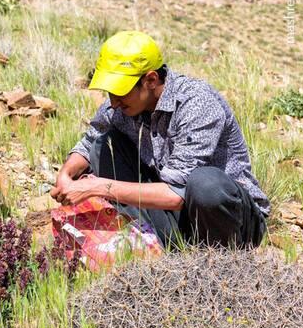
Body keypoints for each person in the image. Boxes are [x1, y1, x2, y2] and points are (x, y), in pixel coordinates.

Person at [51, 30, 269, 248]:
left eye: (120, 92)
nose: (114, 102)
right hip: (173, 214)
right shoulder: (121, 105)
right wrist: (66, 174)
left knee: (205, 185)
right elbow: (90, 141)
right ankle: (160, 246)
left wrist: (97, 187)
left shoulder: (196, 104)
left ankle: (222, 265)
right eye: (110, 92)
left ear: (151, 80)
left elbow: (176, 193)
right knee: (103, 147)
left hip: (229, 220)